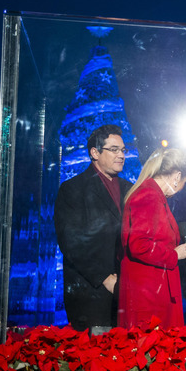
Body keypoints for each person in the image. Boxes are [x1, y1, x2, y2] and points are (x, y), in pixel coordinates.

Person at [54, 124, 131, 333]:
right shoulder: (72, 189)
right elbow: (70, 242)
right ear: (95, 153)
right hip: (90, 292)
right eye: (114, 150)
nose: (121, 155)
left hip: (126, 292)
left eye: (123, 150)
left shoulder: (129, 189)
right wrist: (104, 277)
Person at [118, 148, 186, 328]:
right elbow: (139, 245)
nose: (182, 188)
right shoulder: (149, 195)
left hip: (153, 290)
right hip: (149, 294)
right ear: (177, 176)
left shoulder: (154, 195)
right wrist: (175, 255)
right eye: (184, 182)